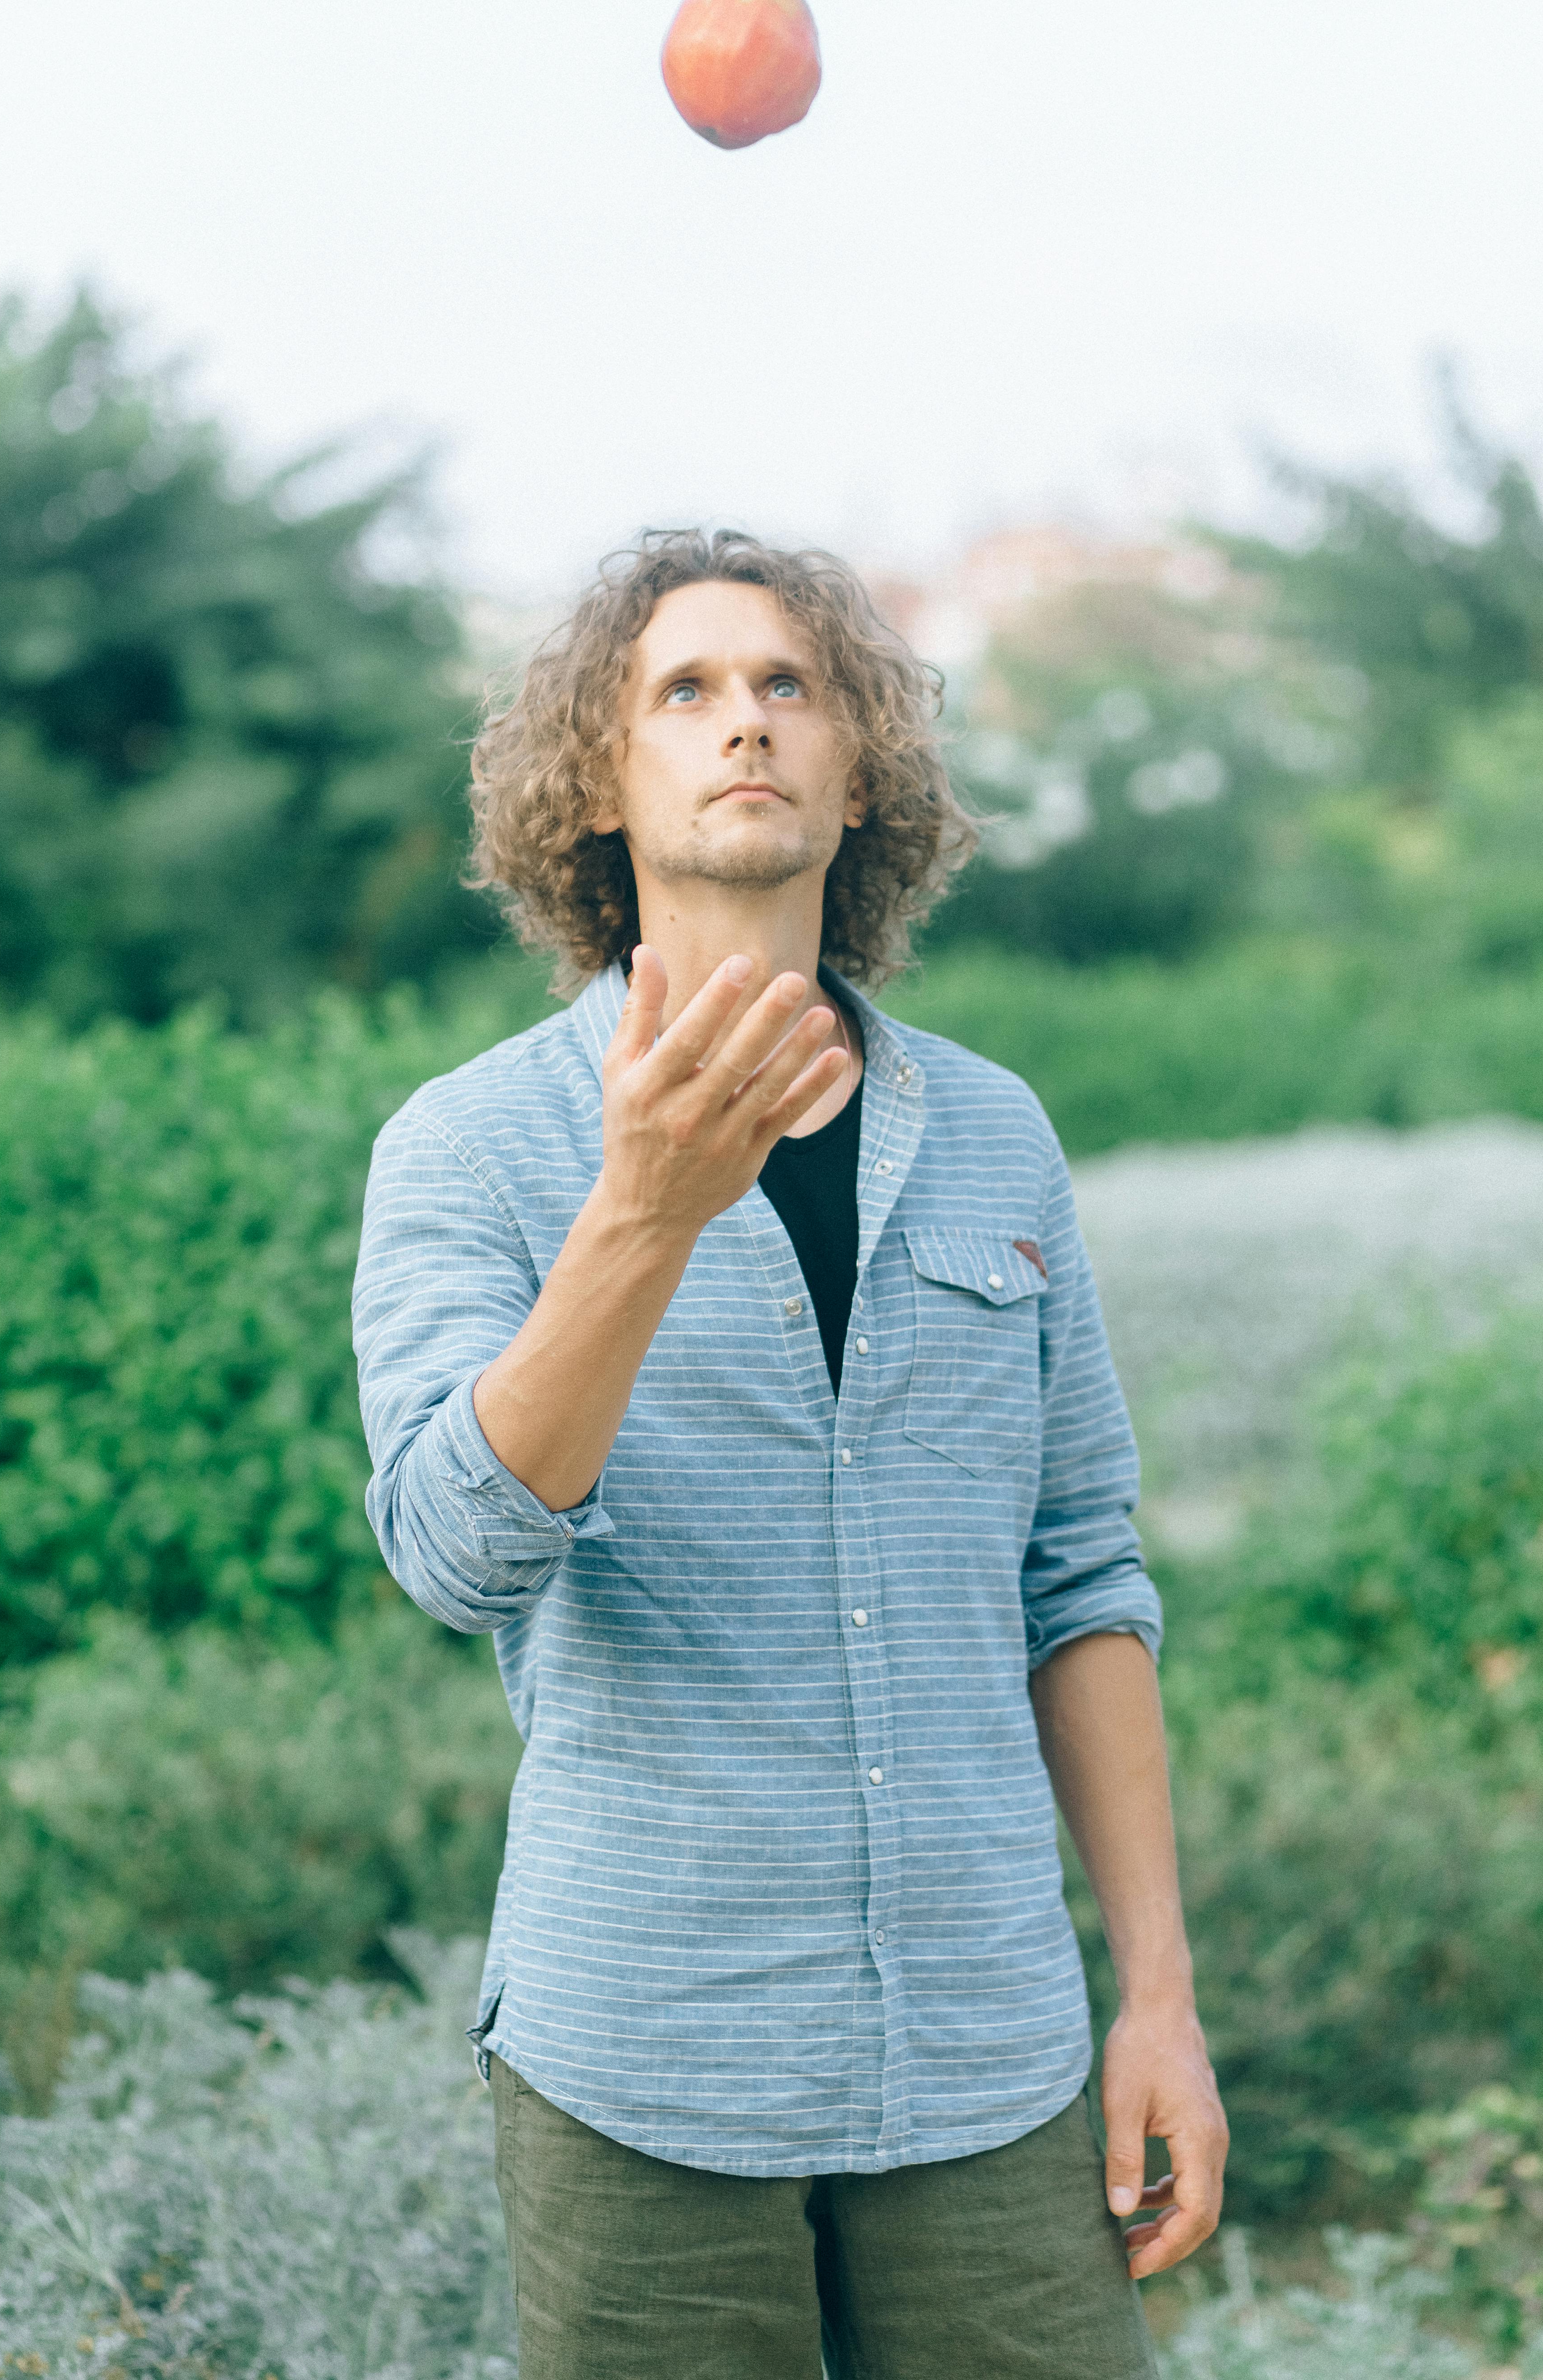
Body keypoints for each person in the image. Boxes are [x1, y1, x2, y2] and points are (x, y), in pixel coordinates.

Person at [353, 528, 1227, 2379]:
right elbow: (453, 1555)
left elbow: (1080, 1580)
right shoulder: (469, 1150)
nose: (743, 723)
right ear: (600, 781)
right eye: (684, 690)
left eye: (789, 688)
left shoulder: (995, 1138)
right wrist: (643, 1216)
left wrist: (1159, 1997)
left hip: (990, 2057)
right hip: (642, 2063)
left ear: (857, 780)